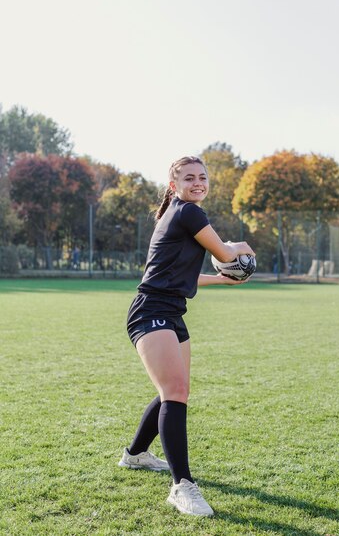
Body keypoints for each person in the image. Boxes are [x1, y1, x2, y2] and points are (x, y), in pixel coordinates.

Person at [119, 156, 255, 516]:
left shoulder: (179, 215)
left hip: (172, 310)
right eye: (189, 178)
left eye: (203, 177)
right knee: (174, 392)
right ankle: (182, 486)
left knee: (174, 392)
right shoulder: (189, 213)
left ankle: (135, 455)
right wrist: (241, 248)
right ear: (173, 184)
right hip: (150, 311)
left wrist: (223, 279)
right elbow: (226, 253)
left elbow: (185, 277)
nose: (198, 183)